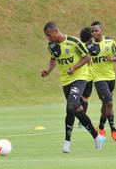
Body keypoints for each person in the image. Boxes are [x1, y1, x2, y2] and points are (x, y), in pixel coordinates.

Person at [41, 22, 105, 153]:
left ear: (56, 32)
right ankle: (97, 137)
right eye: (46, 36)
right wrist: (48, 70)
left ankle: (66, 142)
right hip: (66, 81)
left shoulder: (74, 42)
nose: (48, 38)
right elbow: (54, 59)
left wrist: (74, 67)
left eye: (49, 35)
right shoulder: (51, 45)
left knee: (70, 106)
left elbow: (87, 57)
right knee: (77, 110)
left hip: (80, 77)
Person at [85, 21, 116, 141]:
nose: (94, 33)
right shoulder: (89, 46)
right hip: (98, 79)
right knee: (109, 102)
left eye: (96, 30)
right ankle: (113, 129)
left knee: (105, 104)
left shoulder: (110, 42)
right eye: (92, 31)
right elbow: (83, 58)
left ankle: (100, 127)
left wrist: (112, 58)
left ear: (101, 30)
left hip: (111, 77)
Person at [78, 27, 93, 128]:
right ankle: (82, 122)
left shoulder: (78, 45)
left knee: (79, 98)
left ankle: (81, 120)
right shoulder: (90, 46)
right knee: (85, 98)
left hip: (78, 76)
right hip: (88, 76)